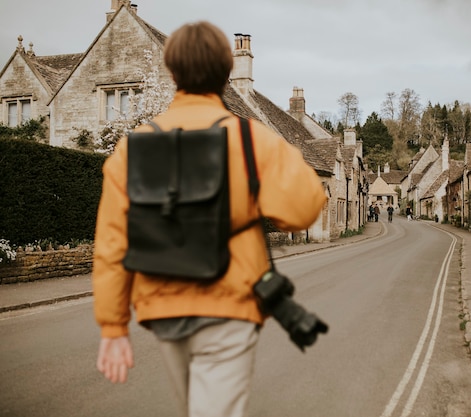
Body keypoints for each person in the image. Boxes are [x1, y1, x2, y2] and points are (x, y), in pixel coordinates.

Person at [92, 21, 326, 417]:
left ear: (171, 72)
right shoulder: (254, 141)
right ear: (227, 72)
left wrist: (113, 327)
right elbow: (304, 208)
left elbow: (112, 244)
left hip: (163, 310)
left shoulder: (131, 150)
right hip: (229, 305)